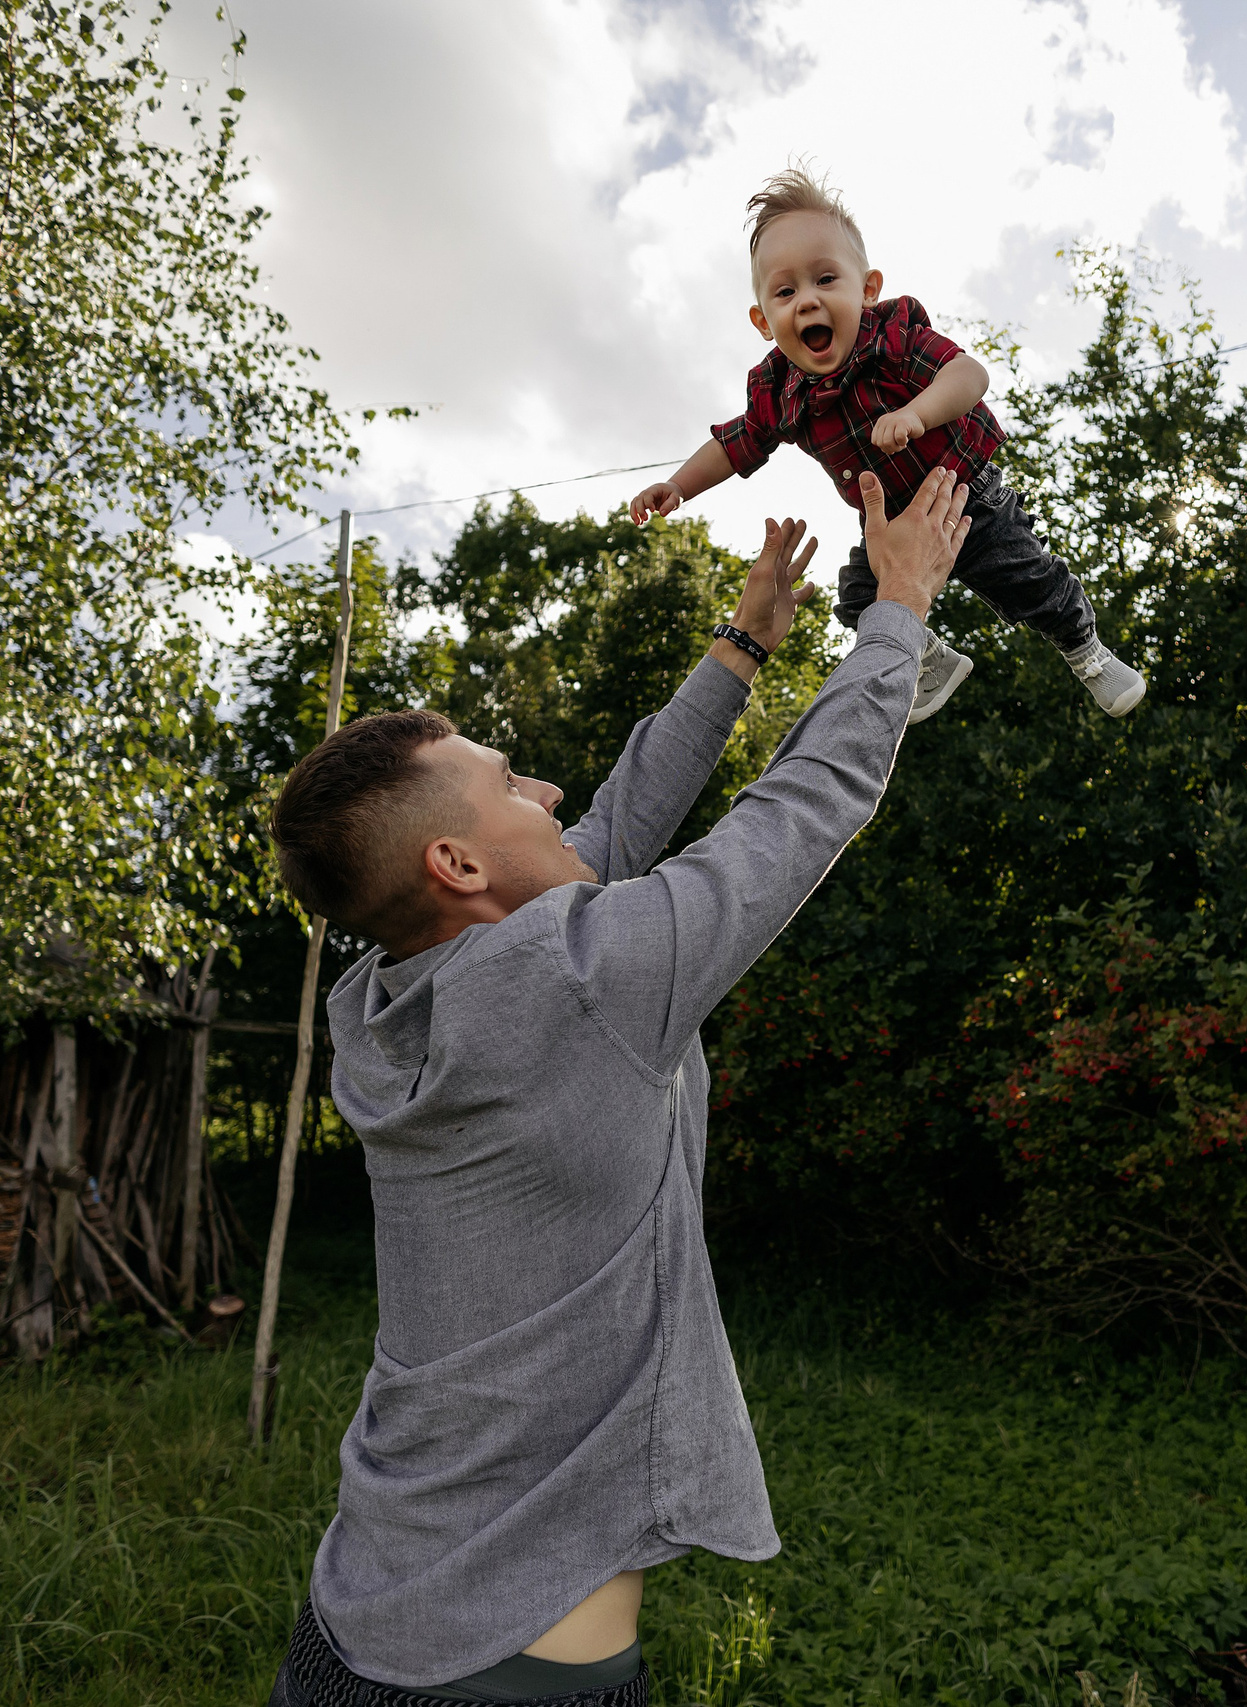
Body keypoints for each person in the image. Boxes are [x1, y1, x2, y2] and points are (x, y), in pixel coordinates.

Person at [261, 466, 975, 1707]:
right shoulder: (571, 979)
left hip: (356, 1622)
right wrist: (896, 611)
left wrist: (742, 646)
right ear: (457, 859)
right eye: (510, 781)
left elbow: (605, 832)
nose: (547, 791)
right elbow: (795, 816)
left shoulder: (378, 998)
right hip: (511, 1673)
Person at [629, 164, 1148, 727]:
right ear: (763, 320)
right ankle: (930, 659)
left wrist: (916, 413)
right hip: (889, 525)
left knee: (1031, 581)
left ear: (867, 289)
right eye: (786, 291)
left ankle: (1086, 650)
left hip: (964, 500)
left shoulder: (893, 339)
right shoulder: (779, 391)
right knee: (856, 602)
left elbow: (969, 375)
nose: (806, 301)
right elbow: (735, 444)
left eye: (826, 280)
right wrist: (679, 484)